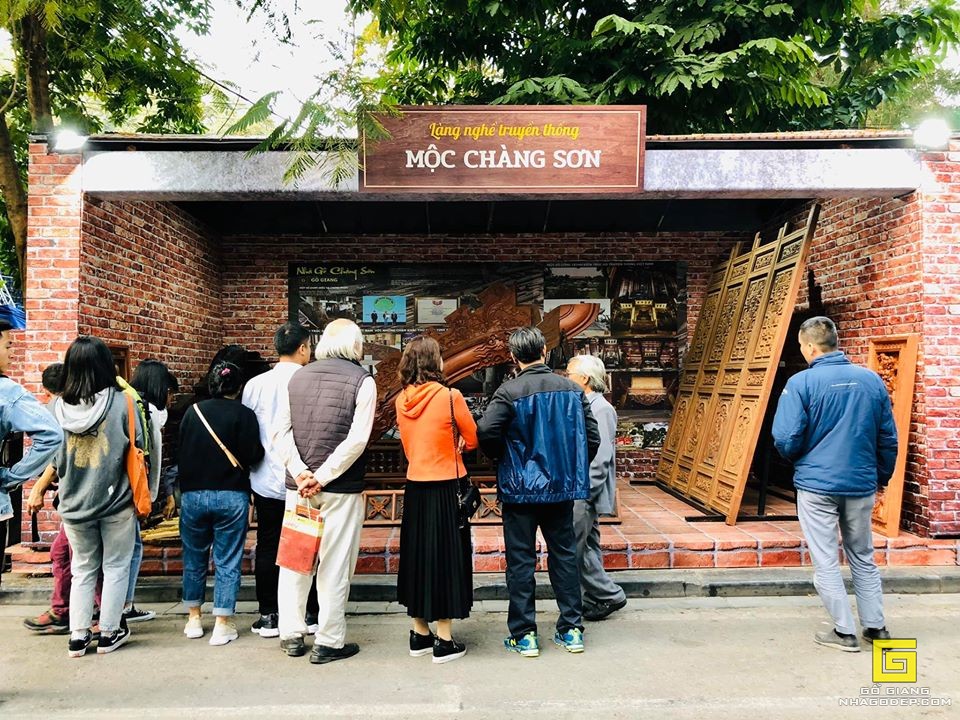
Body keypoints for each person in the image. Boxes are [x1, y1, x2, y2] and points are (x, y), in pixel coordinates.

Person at [772, 316, 898, 652]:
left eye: (802, 347)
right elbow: (888, 437)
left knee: (826, 558)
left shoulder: (801, 383)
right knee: (863, 555)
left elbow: (786, 436)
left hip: (817, 486)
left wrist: (798, 459)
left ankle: (844, 632)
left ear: (810, 347)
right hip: (860, 483)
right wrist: (880, 476)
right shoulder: (871, 380)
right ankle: (876, 627)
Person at [477, 326, 600, 657]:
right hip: (561, 488)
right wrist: (569, 466)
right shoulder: (572, 390)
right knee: (564, 555)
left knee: (520, 561)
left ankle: (524, 634)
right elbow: (592, 437)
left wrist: (505, 459)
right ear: (544, 351)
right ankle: (571, 629)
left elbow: (486, 432)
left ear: (513, 357)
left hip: (520, 490)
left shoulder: (508, 391)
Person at [272, 318, 375, 664]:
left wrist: (302, 473)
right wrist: (324, 475)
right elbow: (357, 440)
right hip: (341, 489)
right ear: (355, 345)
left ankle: (291, 633)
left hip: (299, 489)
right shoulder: (363, 381)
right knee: (335, 564)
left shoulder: (297, 377)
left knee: (295, 562)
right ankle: (329, 640)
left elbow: (280, 433)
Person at [53, 335, 141, 657]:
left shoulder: (55, 408)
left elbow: (53, 458)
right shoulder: (122, 403)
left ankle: (78, 636)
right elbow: (139, 446)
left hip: (74, 504)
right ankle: (109, 632)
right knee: (116, 566)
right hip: (116, 501)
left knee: (83, 567)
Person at [395, 336, 478, 664]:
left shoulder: (401, 400)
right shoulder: (450, 396)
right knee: (447, 558)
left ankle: (420, 633)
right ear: (435, 362)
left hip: (416, 486)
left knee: (417, 557)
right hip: (446, 487)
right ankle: (444, 639)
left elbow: (408, 446)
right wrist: (460, 444)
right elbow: (473, 437)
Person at [177, 361, 264, 646]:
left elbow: (180, 450)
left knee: (193, 557)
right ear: (239, 387)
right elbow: (254, 454)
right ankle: (222, 623)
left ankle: (193, 618)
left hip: (193, 495)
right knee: (227, 560)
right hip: (231, 494)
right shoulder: (244, 414)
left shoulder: (192, 412)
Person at [241, 322, 319, 638]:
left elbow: (248, 430)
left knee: (268, 544)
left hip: (264, 478)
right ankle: (310, 613)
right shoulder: (310, 380)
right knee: (307, 544)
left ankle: (269, 614)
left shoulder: (254, 385)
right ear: (302, 348)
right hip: (303, 478)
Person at [0, 322, 63, 586]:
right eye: (7, 345)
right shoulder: (6, 391)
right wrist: (11, 477)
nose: (11, 353)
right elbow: (51, 435)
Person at [565, 354, 627, 621]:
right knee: (586, 547)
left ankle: (609, 595)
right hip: (581, 488)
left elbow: (601, 458)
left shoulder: (601, 409)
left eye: (569, 374)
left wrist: (585, 491)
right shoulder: (587, 404)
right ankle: (600, 595)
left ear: (585, 378)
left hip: (585, 490)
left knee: (574, 548)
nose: (566, 378)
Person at [123, 359, 179, 623]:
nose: (170, 399)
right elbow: (152, 462)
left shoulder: (124, 402)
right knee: (130, 551)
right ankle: (123, 608)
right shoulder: (150, 413)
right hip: (132, 492)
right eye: (169, 392)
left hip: (110, 490)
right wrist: (150, 498)